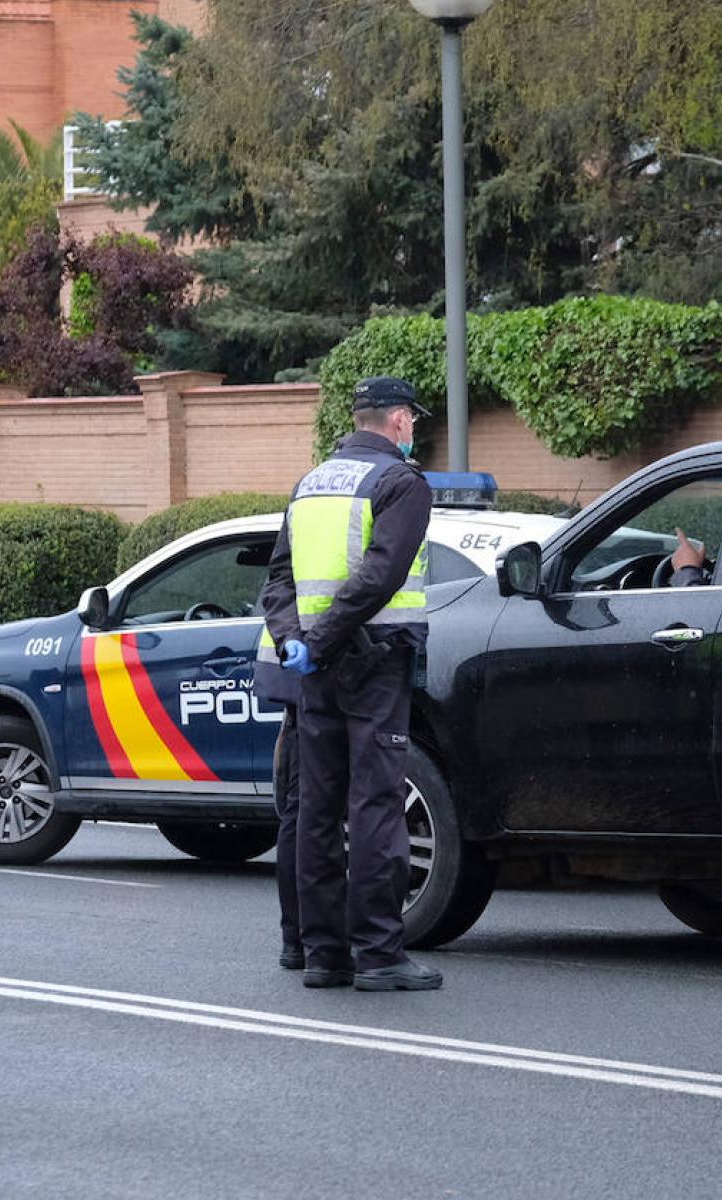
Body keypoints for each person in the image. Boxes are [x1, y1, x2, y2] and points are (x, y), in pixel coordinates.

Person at [260, 375, 440, 992]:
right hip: (371, 665)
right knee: (375, 807)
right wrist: (322, 639)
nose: (413, 429)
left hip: (316, 673)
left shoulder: (309, 485)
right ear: (396, 422)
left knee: (316, 809)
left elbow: (276, 582)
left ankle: (324, 955)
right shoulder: (402, 483)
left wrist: (294, 642)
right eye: (411, 420)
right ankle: (379, 955)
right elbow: (381, 576)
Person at [253, 566, 304, 972]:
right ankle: (305, 939)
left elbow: (277, 583)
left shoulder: (304, 504)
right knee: (307, 817)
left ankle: (300, 939)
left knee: (300, 816)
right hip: (327, 681)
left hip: (298, 687)